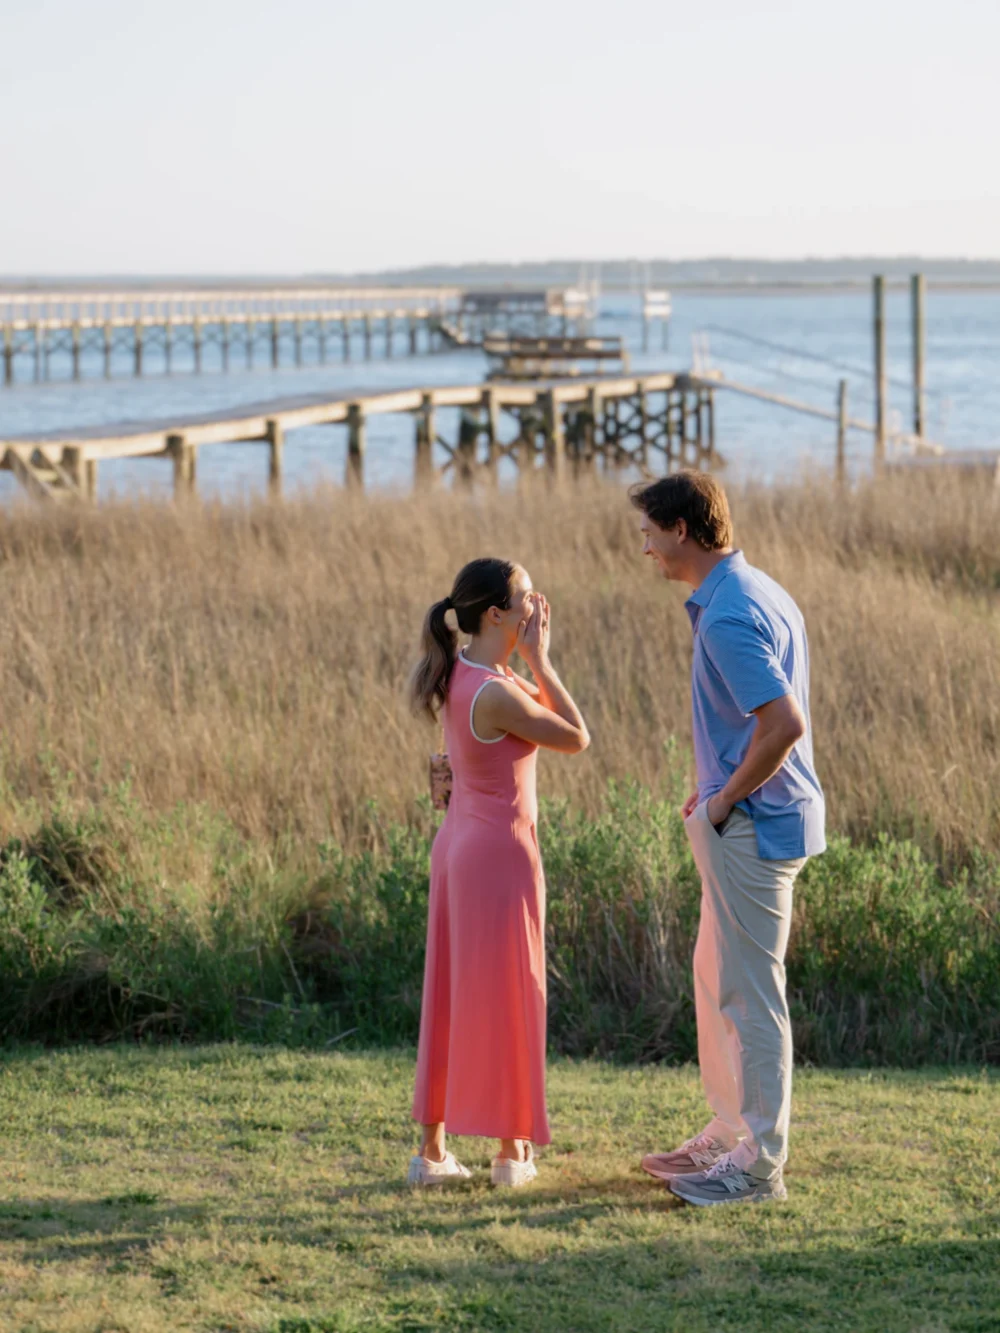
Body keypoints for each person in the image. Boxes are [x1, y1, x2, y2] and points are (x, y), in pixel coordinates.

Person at [633, 471, 825, 1206]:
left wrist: (724, 799)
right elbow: (757, 725)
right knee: (717, 976)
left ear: (681, 528)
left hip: (757, 824)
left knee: (750, 994)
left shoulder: (729, 613)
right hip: (749, 815)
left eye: (650, 531)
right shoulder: (751, 591)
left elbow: (783, 725)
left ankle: (759, 1164)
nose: (644, 546)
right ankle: (727, 1131)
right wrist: (715, 785)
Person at [408, 557, 589, 1187]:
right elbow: (576, 736)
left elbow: (456, 762)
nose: (539, 606)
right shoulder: (499, 689)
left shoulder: (465, 673)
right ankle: (513, 1154)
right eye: (528, 598)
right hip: (501, 857)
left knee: (450, 995)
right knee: (515, 993)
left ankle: (431, 1152)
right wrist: (543, 659)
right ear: (498, 614)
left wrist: (524, 664)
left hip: (460, 848)